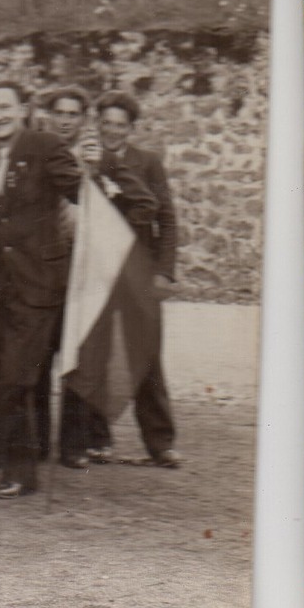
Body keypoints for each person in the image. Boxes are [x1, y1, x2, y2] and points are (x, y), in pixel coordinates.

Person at [0, 81, 154, 498]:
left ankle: (21, 472)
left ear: (22, 110)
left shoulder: (44, 146)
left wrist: (104, 180)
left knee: (16, 376)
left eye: (5, 107)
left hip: (37, 285)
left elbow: (82, 194)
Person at [90, 89, 184, 468]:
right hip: (97, 273)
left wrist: (164, 270)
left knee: (146, 354)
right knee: (95, 355)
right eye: (106, 123)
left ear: (131, 129)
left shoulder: (148, 163)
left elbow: (168, 219)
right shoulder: (88, 160)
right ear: (98, 124)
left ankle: (160, 443)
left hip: (139, 271)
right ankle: (98, 440)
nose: (113, 131)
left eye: (120, 125)